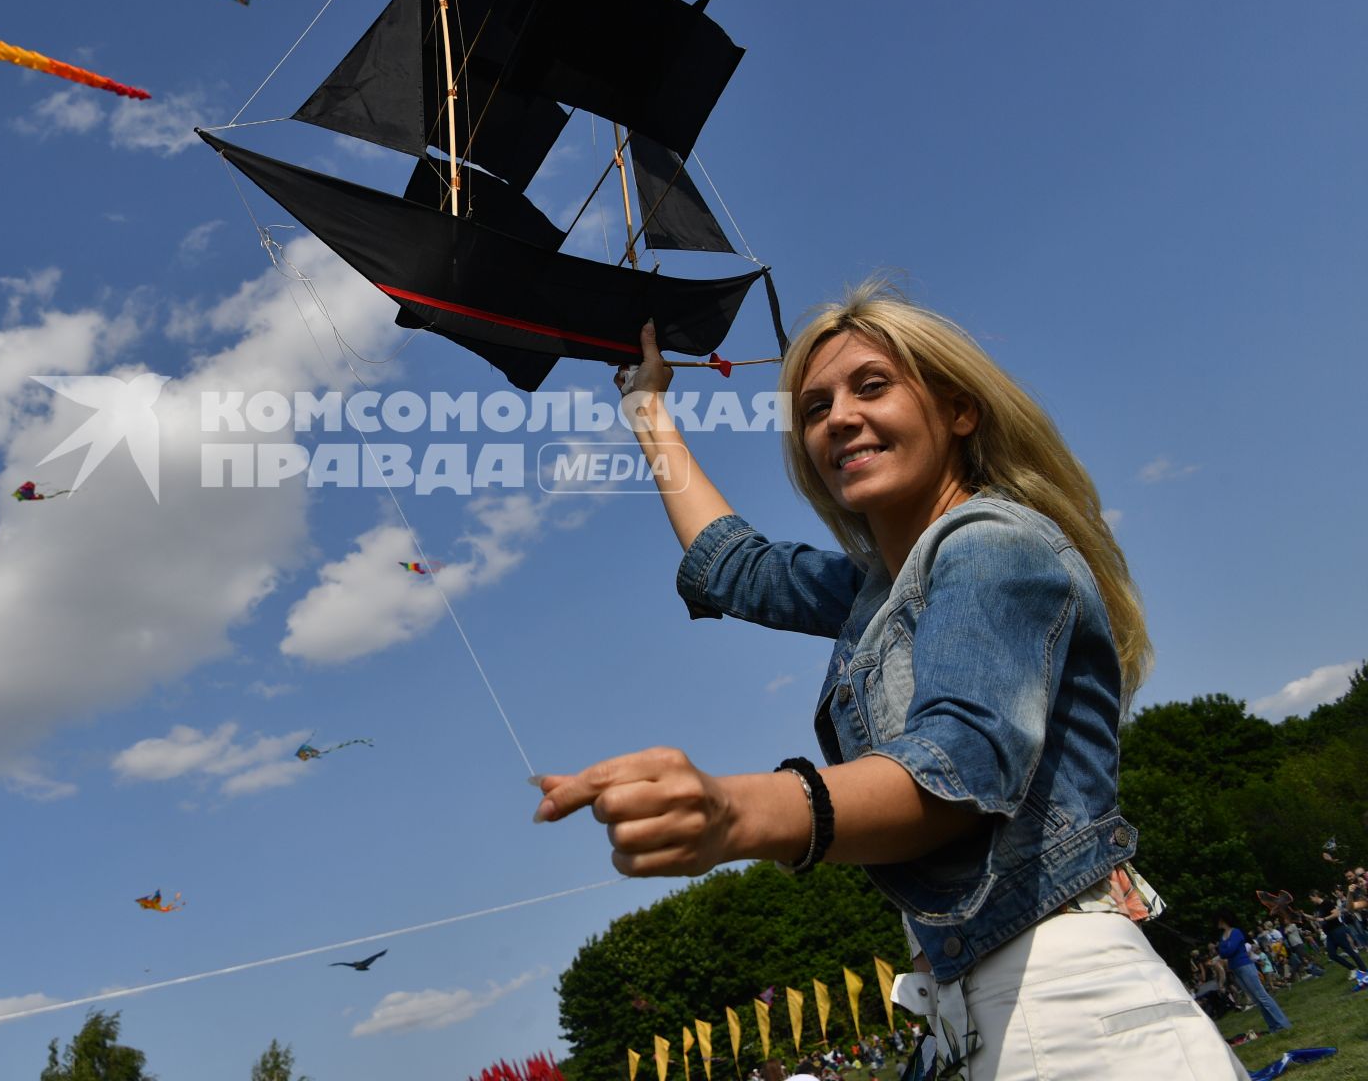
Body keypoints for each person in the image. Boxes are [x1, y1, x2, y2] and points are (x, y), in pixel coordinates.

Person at [531, 284, 1244, 1078]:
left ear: (958, 410)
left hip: (1066, 1005)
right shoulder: (884, 588)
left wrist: (737, 812)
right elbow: (737, 570)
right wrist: (648, 409)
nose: (837, 418)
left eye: (872, 386)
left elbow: (955, 770)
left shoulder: (990, 544)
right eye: (813, 408)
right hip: (978, 1015)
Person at [1216, 914, 1290, 1032]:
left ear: (1222, 920)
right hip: (1235, 968)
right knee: (1257, 1000)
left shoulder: (1236, 932)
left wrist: (1226, 950)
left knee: (1262, 996)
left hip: (1245, 966)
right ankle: (1273, 1027)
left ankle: (1283, 1023)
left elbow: (1229, 950)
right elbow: (1222, 953)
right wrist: (1226, 950)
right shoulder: (1222, 937)